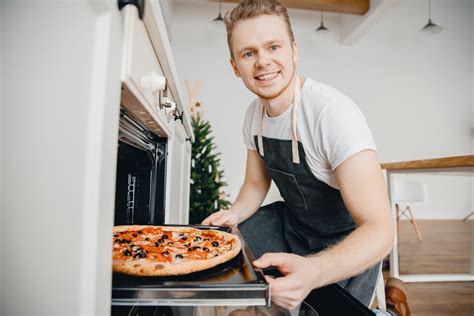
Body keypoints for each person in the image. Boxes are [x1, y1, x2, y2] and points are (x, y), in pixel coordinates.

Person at [202, 0, 394, 310]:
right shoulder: (254, 115)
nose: (263, 62)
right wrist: (234, 213)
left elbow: (380, 230)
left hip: (343, 240)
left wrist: (315, 270)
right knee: (229, 254)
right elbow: (254, 183)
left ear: (294, 50)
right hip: (295, 228)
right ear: (235, 66)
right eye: (249, 53)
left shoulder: (332, 114)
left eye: (273, 47)